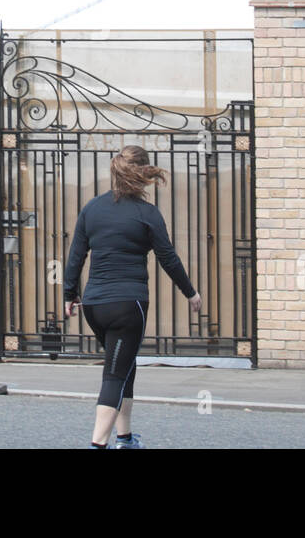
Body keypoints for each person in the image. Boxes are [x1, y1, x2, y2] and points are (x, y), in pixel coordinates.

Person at [63, 145, 200, 449]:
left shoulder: (92, 208)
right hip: (128, 306)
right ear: (143, 173)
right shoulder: (147, 214)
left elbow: (76, 256)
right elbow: (169, 259)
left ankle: (125, 439)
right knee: (114, 374)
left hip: (95, 305)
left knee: (125, 367)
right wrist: (190, 293)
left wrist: (69, 294)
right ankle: (98, 444)